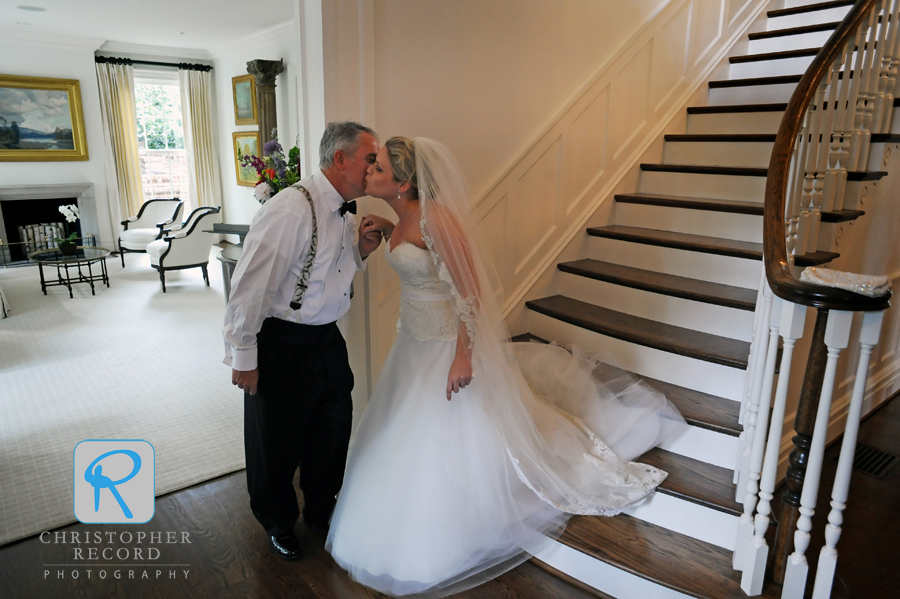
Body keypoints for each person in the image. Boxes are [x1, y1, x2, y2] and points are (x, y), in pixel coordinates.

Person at [326, 137, 688, 597]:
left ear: (404, 182)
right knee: (399, 428)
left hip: (444, 346)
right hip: (412, 344)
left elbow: (470, 294)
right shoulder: (404, 218)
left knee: (447, 432)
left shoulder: (438, 219)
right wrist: (386, 226)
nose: (369, 171)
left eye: (377, 166)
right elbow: (414, 255)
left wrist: (463, 354)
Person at [223, 121, 393, 561]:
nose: (375, 167)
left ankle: (322, 508)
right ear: (341, 159)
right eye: (369, 158)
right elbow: (249, 288)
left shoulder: (345, 210)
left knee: (332, 431)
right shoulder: (289, 209)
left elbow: (327, 270)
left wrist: (362, 251)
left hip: (326, 341)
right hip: (281, 343)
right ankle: (278, 522)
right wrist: (244, 354)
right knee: (275, 443)